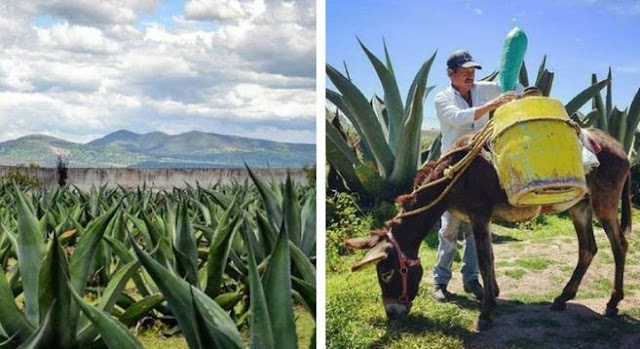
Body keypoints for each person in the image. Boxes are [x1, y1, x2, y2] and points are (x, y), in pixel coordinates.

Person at [431, 50, 522, 302]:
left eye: (473, 70)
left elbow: (513, 86)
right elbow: (456, 117)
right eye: (465, 71)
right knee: (449, 228)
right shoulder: (442, 98)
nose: (471, 75)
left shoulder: (482, 88)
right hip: (454, 167)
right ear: (451, 73)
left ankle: (471, 280)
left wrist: (517, 92)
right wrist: (493, 105)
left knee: (477, 227)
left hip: (481, 165)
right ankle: (440, 281)